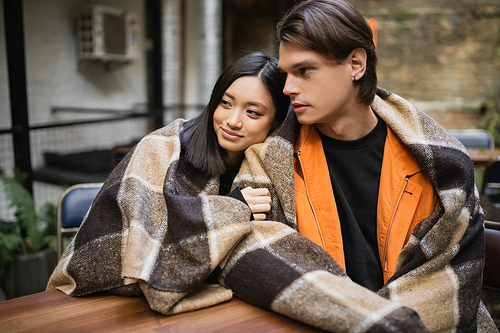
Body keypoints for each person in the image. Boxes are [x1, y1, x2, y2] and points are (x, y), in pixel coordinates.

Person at [274, 0, 497, 331]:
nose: (288, 88)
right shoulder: (275, 157)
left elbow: (447, 282)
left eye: (304, 71)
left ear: (356, 64)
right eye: (285, 74)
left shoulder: (440, 166)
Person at [46, 51, 295, 313]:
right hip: (119, 306)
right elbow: (143, 243)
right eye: (225, 103)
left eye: (253, 112)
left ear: (277, 121)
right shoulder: (162, 148)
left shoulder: (275, 166)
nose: (232, 121)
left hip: (225, 308)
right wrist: (231, 208)